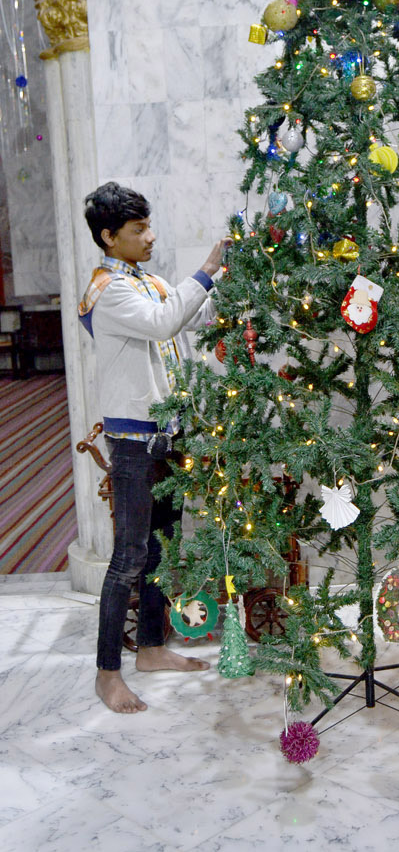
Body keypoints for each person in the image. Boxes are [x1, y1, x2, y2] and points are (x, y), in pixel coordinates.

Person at [80, 182, 230, 713]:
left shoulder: (147, 280)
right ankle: (107, 674)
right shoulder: (109, 290)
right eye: (138, 230)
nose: (150, 237)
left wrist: (225, 293)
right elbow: (165, 319)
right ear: (108, 237)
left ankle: (149, 649)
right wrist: (208, 269)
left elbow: (181, 324)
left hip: (167, 432)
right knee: (128, 557)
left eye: (148, 225)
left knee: (161, 548)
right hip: (132, 443)